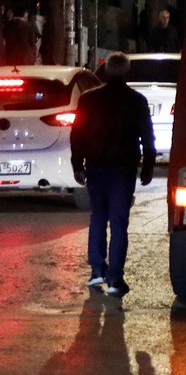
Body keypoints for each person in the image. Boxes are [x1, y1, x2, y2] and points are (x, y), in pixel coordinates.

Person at [70, 52, 156, 298]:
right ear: (127, 72)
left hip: (96, 167)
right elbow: (147, 137)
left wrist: (78, 164)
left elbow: (77, 134)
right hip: (123, 170)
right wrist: (148, 166)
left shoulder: (88, 99)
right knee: (119, 223)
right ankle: (116, 279)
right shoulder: (136, 101)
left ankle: (97, 269)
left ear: (106, 71)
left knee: (98, 217)